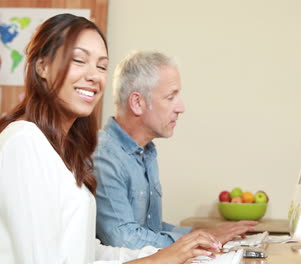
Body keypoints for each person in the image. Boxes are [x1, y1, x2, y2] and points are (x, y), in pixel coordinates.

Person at [0, 13, 221, 264]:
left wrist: (170, 254)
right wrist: (158, 260)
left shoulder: (66, 151)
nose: (94, 75)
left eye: (102, 66)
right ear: (42, 67)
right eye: (79, 60)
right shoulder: (23, 142)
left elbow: (85, 251)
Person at [93, 51, 258, 250]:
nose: (181, 107)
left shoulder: (147, 152)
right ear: (137, 103)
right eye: (171, 97)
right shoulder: (105, 157)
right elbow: (125, 240)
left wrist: (203, 234)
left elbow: (149, 230)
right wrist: (196, 240)